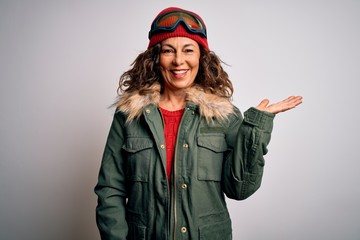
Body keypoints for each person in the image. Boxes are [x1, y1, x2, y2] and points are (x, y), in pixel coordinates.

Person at [94, 6, 302, 240]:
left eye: (189, 50)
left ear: (201, 57)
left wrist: (256, 127)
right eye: (168, 51)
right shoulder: (129, 116)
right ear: (155, 58)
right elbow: (110, 190)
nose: (179, 61)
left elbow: (240, 189)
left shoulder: (224, 116)